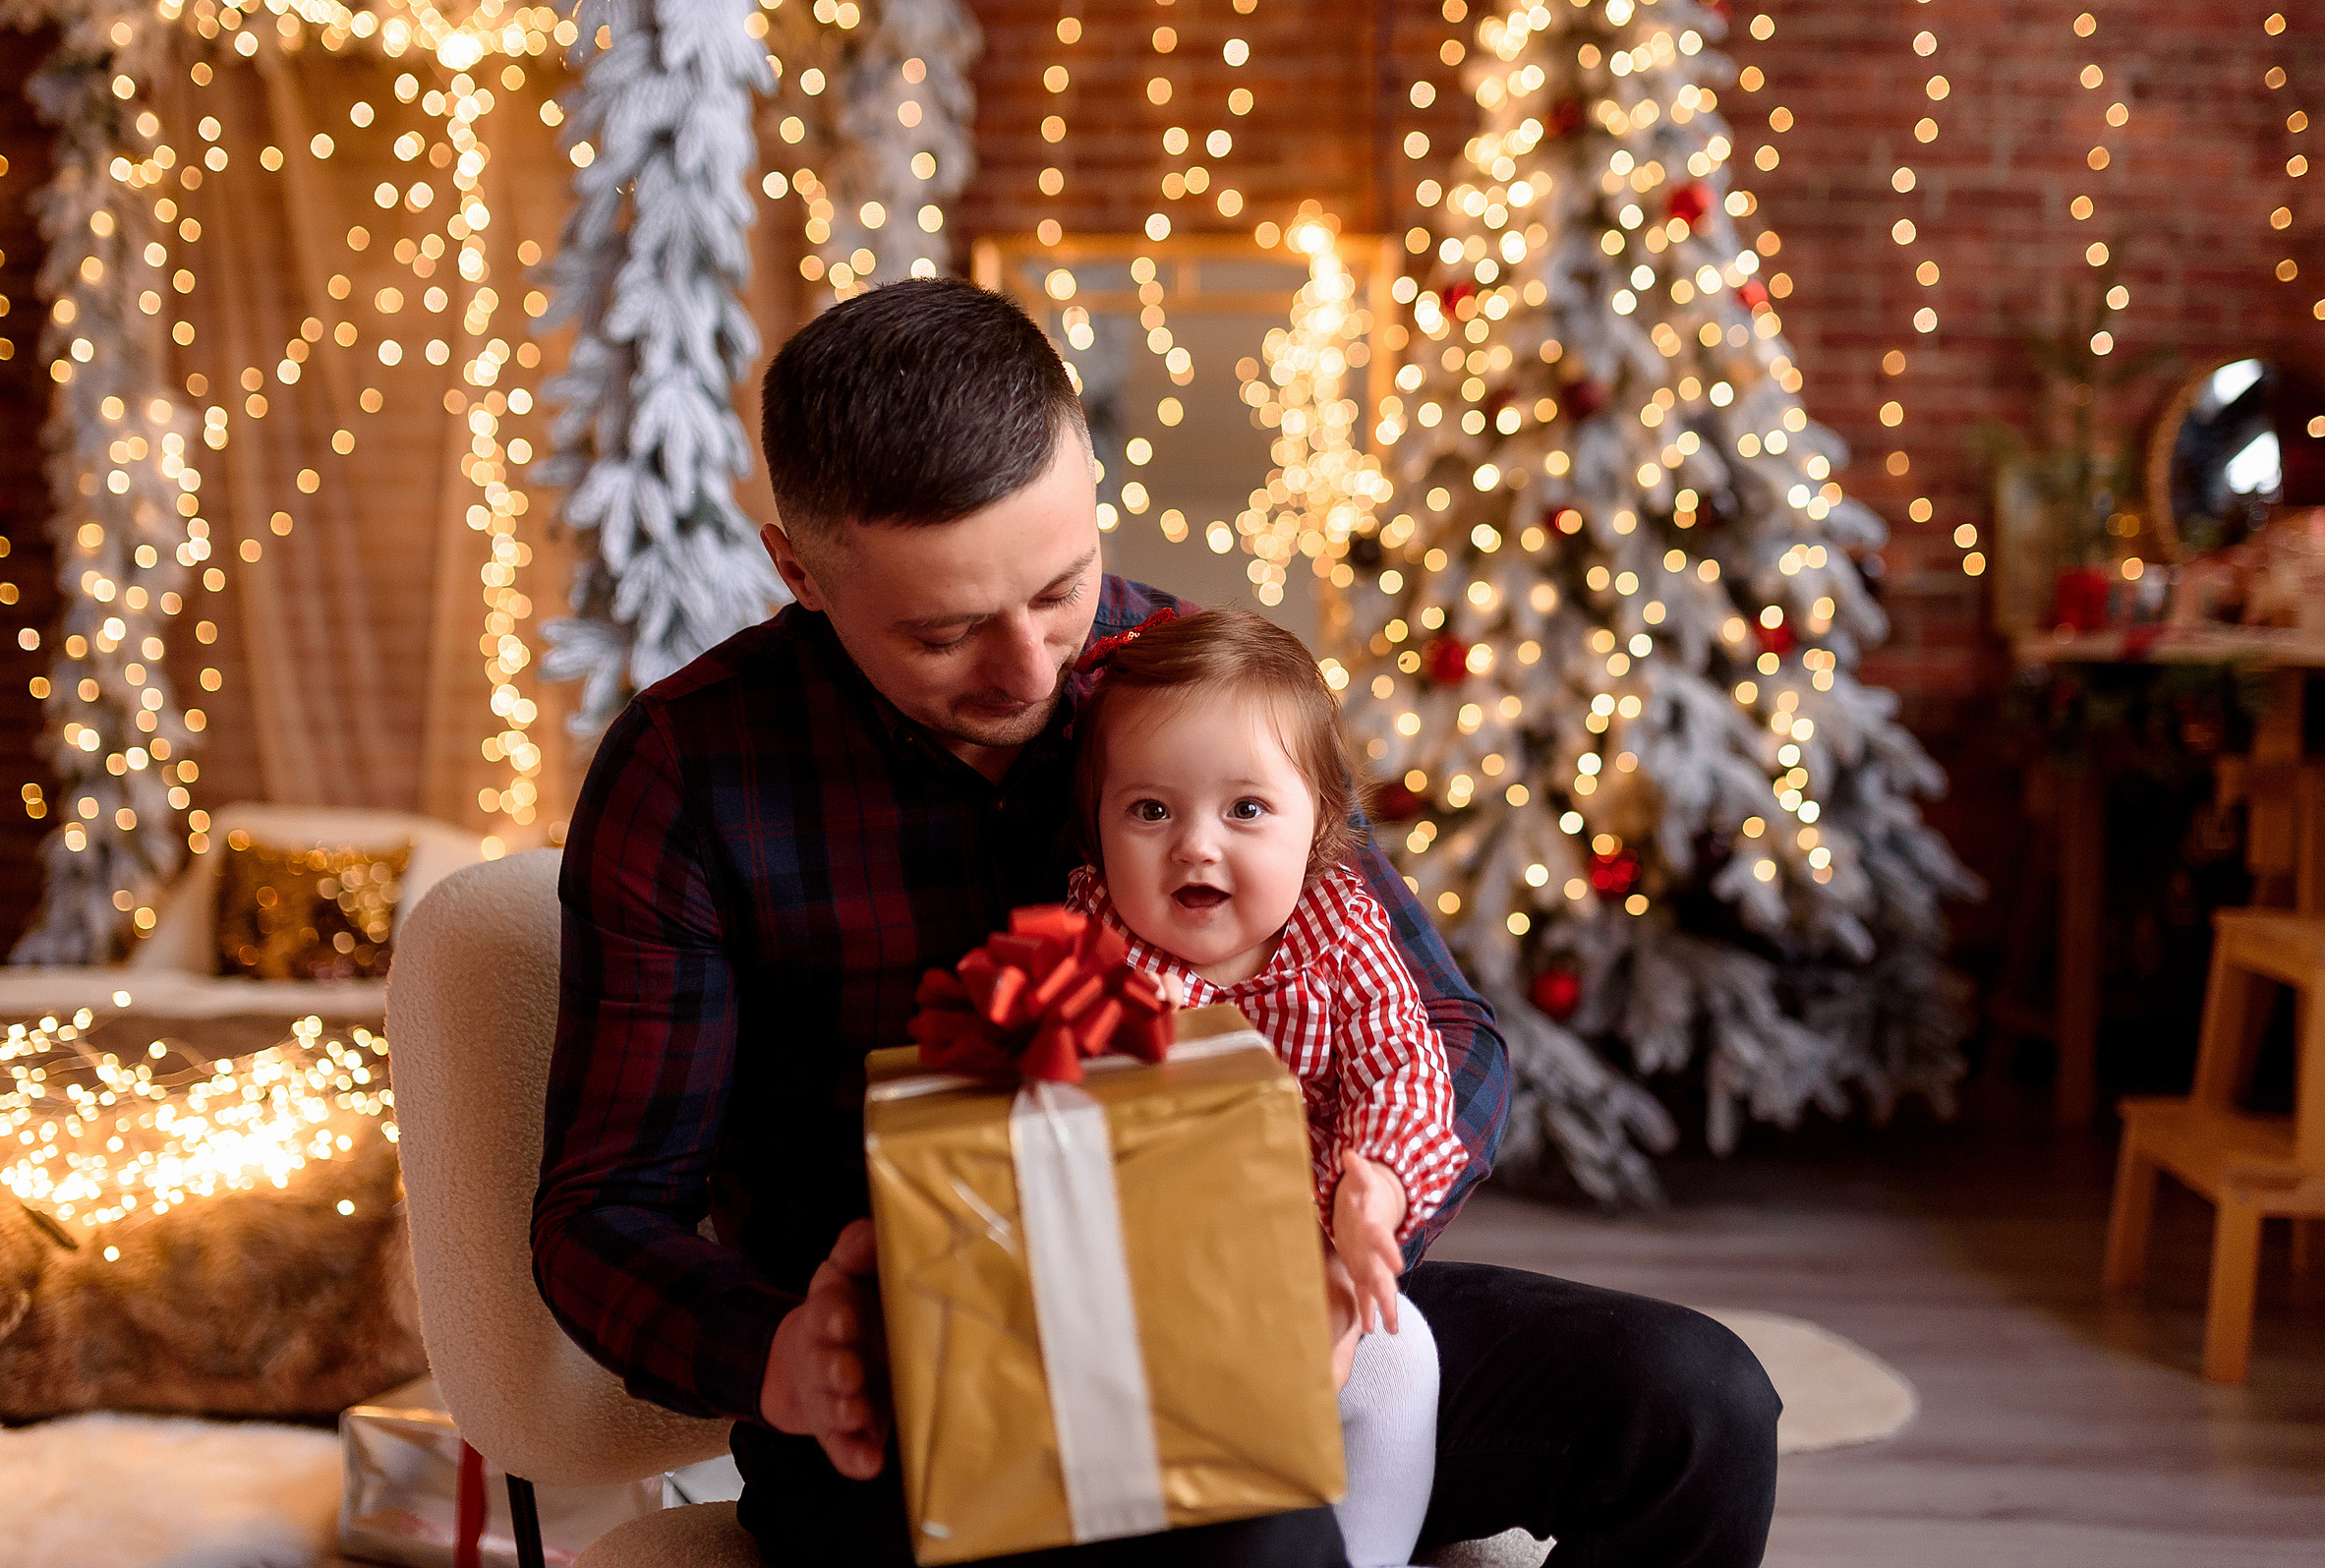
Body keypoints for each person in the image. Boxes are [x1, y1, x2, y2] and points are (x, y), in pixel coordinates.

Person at [533, 276, 1779, 1568]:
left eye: (1060, 586)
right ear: (797, 567)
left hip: (1264, 1280)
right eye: (947, 629)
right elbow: (600, 1212)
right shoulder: (691, 771)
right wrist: (781, 1351)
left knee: (1699, 1404)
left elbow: (1446, 1026)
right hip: (925, 1391)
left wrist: (1361, 1211)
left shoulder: (1185, 678)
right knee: (1262, 1528)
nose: (1034, 671)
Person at [1067, 607, 1460, 1568]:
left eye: (1245, 809)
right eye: (1150, 810)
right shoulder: (1092, 942)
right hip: (1147, 1289)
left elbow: (1402, 1065)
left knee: (1402, 1355)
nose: (1195, 846)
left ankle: (1367, 1553)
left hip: (1311, 1262)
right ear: (1099, 824)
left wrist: (1374, 1186)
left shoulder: (1342, 930)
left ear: (1320, 822)